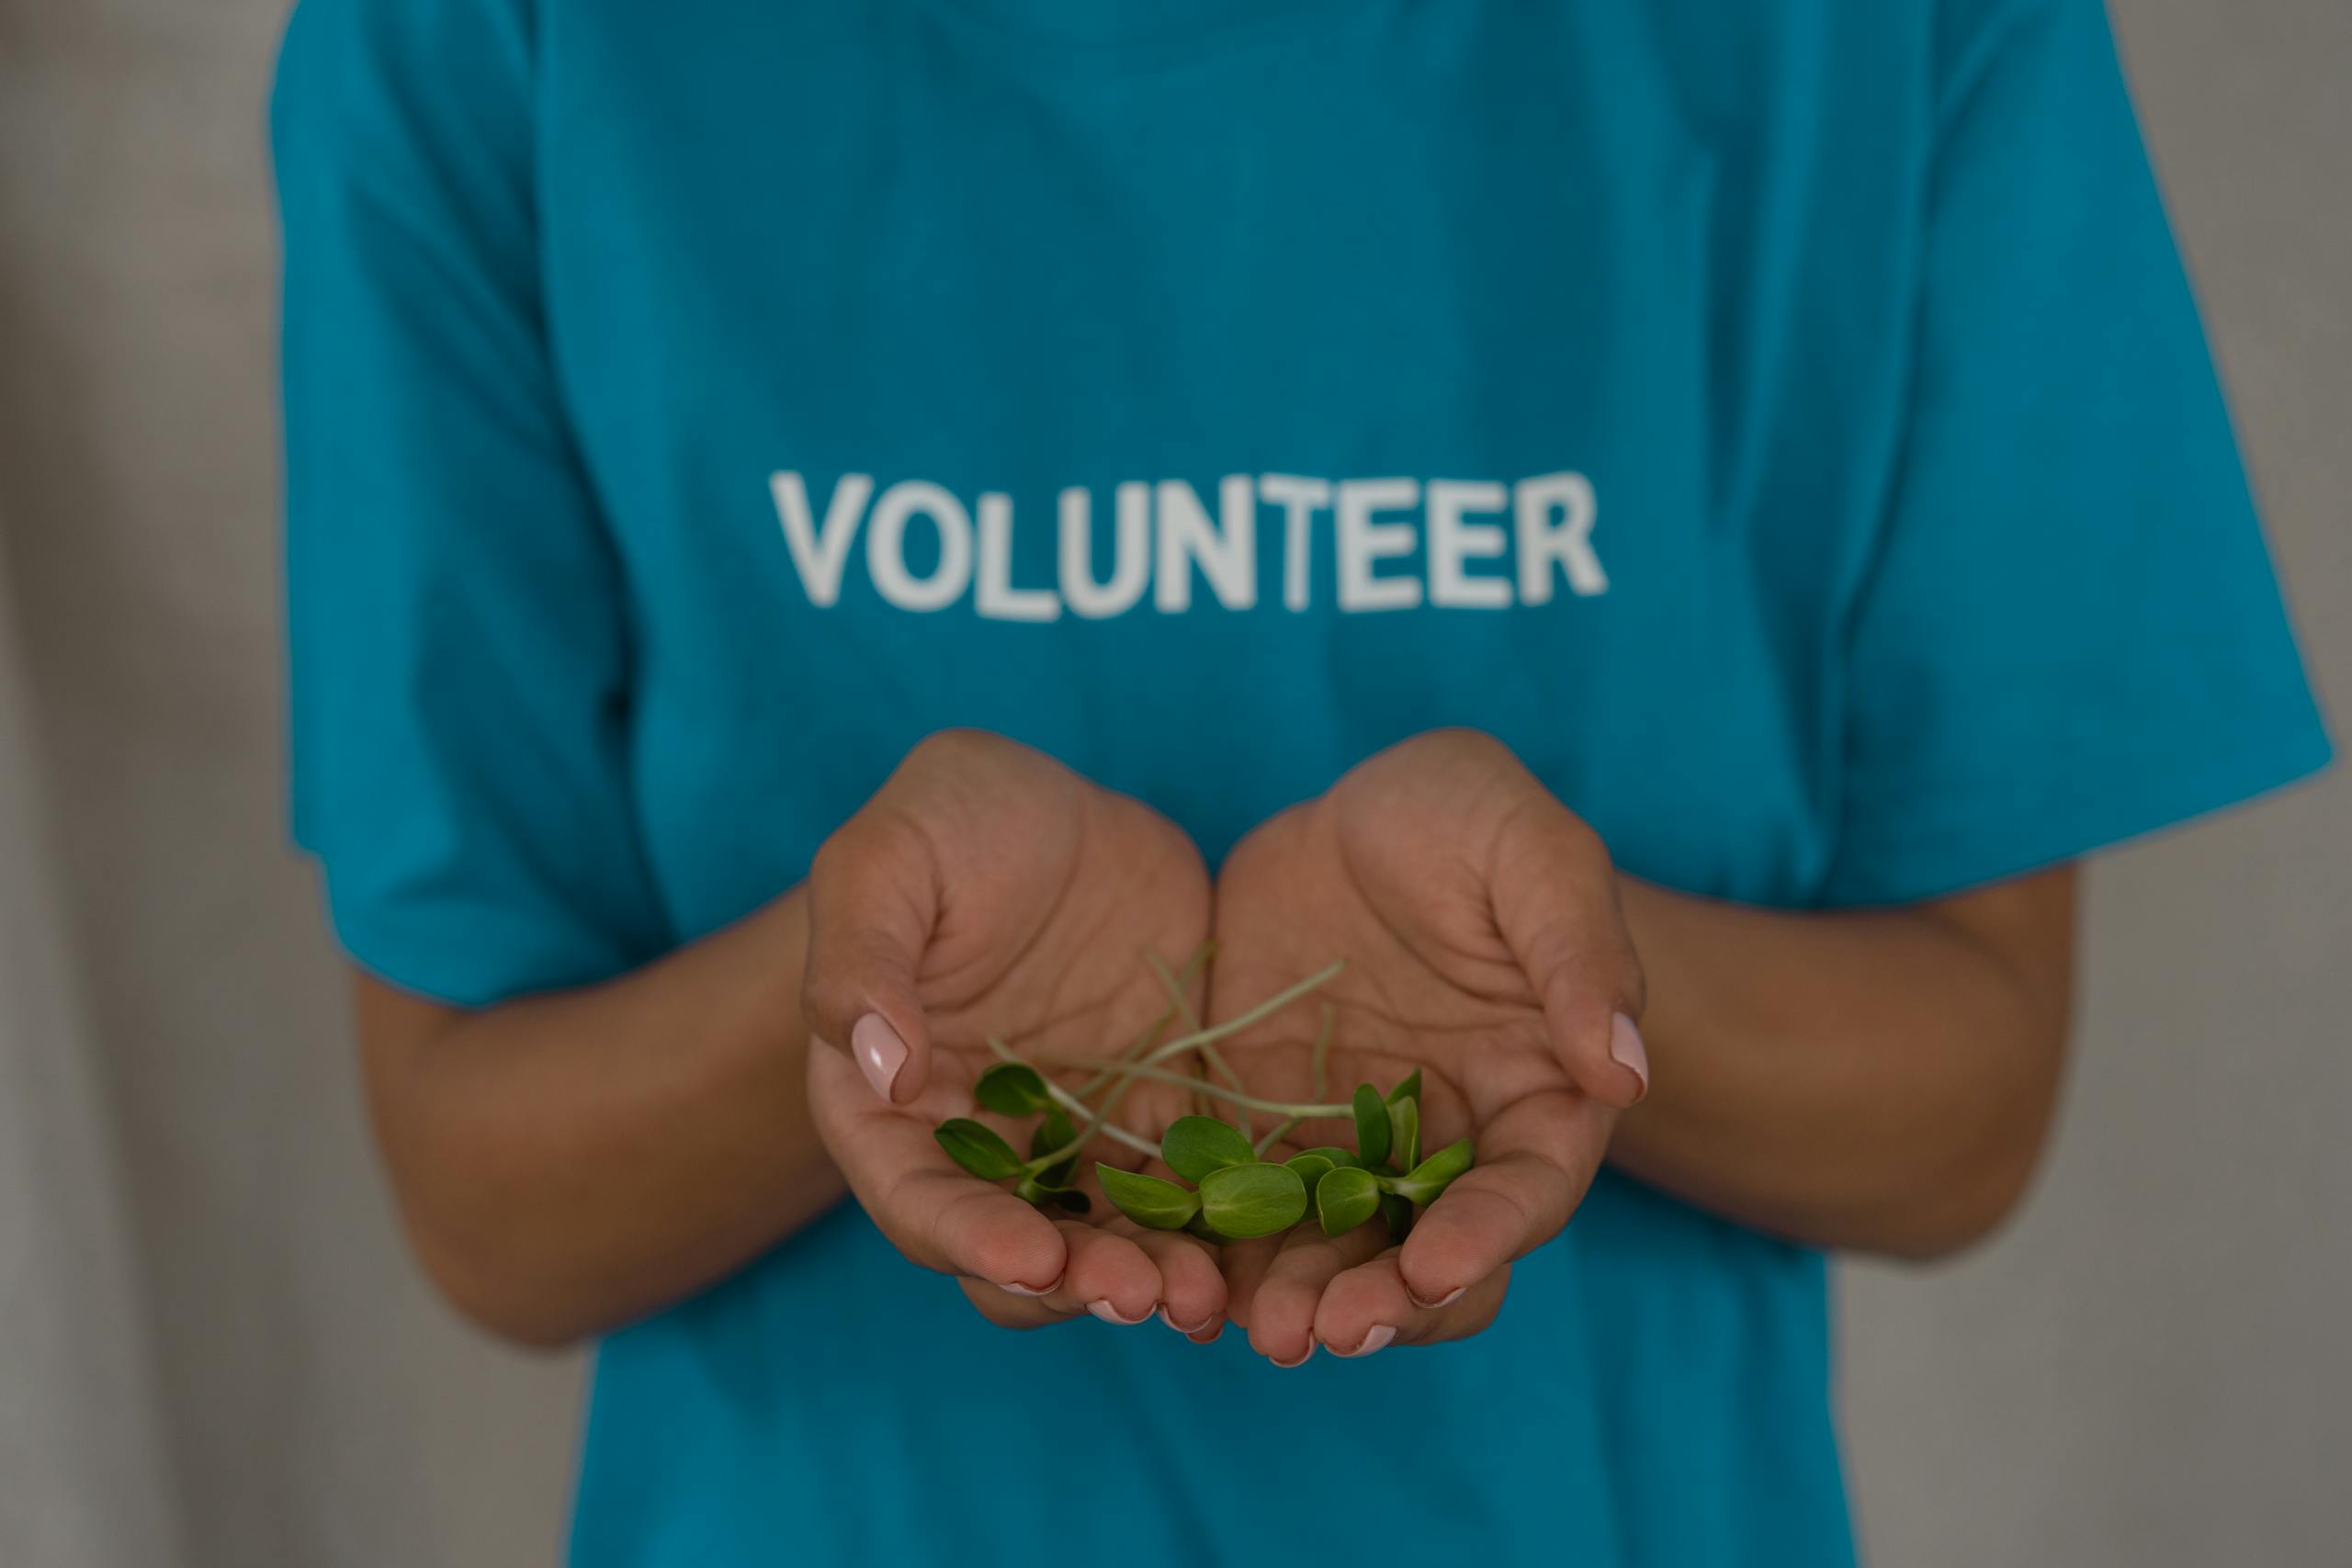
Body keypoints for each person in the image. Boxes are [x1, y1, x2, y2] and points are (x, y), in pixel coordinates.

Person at [271, 0, 2330, 1562]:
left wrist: (1564, 976)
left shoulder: (1888, 40)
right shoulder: (484, 41)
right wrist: (868, 990)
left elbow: (1958, 1112)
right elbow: (491, 1201)